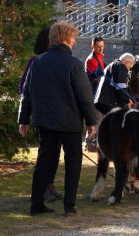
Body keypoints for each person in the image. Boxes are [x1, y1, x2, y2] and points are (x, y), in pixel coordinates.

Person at [18, 21, 99, 216]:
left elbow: (27, 93)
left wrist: (23, 119)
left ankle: (36, 205)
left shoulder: (37, 62)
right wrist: (91, 121)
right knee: (73, 162)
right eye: (72, 37)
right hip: (69, 122)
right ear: (64, 38)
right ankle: (69, 206)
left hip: (44, 121)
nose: (74, 41)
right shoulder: (74, 64)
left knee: (44, 161)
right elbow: (84, 95)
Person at [19, 27, 63, 202]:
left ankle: (50, 185)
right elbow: (23, 87)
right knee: (45, 153)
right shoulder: (35, 62)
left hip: (58, 115)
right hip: (43, 114)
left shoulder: (58, 61)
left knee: (55, 152)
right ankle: (42, 188)